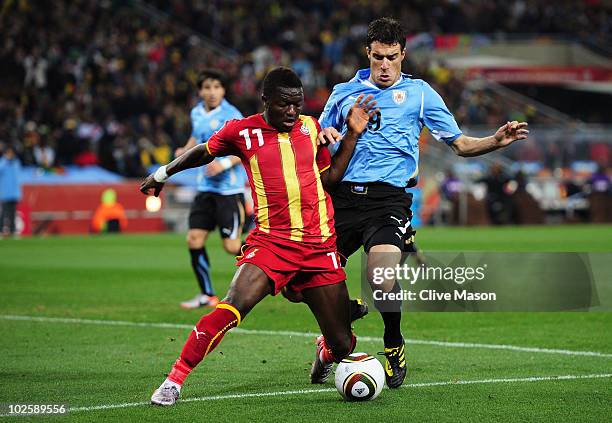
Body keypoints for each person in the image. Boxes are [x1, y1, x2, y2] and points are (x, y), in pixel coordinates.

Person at [140, 67, 379, 406]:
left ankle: (324, 352)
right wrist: (162, 173)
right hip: (272, 242)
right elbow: (202, 152)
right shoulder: (242, 131)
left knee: (343, 345)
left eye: (297, 105)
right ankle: (175, 378)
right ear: (266, 100)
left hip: (318, 244)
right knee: (231, 307)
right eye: (285, 105)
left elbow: (331, 179)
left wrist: (353, 133)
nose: (292, 113)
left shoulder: (311, 128)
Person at [317, 17, 529, 388]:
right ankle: (333, 341)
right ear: (368, 53)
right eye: (379, 57)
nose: (385, 65)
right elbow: (316, 138)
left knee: (380, 276)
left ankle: (393, 342)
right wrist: (325, 134)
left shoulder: (420, 94)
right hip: (342, 200)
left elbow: (460, 144)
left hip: (388, 200)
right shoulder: (342, 93)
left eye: (392, 57)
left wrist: (495, 141)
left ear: (403, 55)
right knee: (312, 282)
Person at [175, 70, 247, 309]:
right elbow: (196, 139)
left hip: (228, 191)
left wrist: (223, 163)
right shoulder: (197, 112)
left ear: (223, 90)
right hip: (205, 189)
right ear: (200, 91)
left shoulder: (232, 115)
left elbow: (245, 149)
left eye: (216, 87)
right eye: (207, 87)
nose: (212, 92)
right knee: (194, 239)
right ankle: (207, 294)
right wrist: (183, 152)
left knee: (231, 247)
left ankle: (272, 271)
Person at [0, 145, 22, 238]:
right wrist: (6, 160)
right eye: (8, 152)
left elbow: (18, 179)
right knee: (4, 213)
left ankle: (13, 232)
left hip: (14, 193)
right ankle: (1, 231)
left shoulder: (16, 163)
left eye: (11, 152)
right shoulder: (2, 162)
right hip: (5, 193)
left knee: (13, 213)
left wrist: (19, 193)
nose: (10, 154)